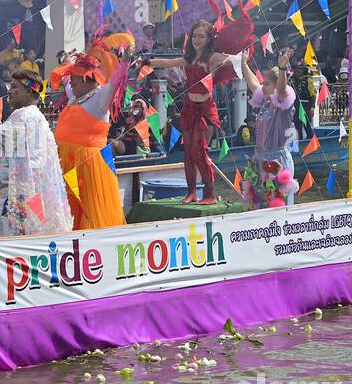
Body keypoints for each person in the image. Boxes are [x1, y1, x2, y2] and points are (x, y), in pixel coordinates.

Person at [0, 70, 72, 236]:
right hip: (25, 195)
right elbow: (24, 155)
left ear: (28, 91)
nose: (9, 91)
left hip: (13, 196)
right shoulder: (37, 116)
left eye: (14, 87)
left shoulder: (23, 115)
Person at [141, 20, 230, 204]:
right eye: (195, 36)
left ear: (209, 39)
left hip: (204, 111)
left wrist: (237, 58)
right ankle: (191, 192)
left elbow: (229, 61)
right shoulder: (189, 57)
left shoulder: (212, 58)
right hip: (189, 108)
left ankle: (210, 194)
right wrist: (146, 61)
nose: (197, 40)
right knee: (188, 152)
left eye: (201, 36)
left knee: (200, 152)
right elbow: (167, 62)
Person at [51, 40, 130, 228]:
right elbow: (67, 83)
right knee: (70, 211)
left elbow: (114, 82)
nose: (71, 85)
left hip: (90, 166)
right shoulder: (77, 96)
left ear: (87, 81)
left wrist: (125, 62)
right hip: (67, 162)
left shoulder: (100, 99)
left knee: (90, 210)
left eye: (75, 81)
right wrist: (66, 62)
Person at [242, 62, 298, 209]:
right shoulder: (264, 103)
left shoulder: (283, 107)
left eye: (267, 84)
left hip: (276, 162)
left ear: (276, 85)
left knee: (277, 207)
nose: (263, 87)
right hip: (259, 159)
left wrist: (282, 69)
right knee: (258, 207)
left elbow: (281, 91)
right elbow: (253, 84)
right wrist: (244, 63)